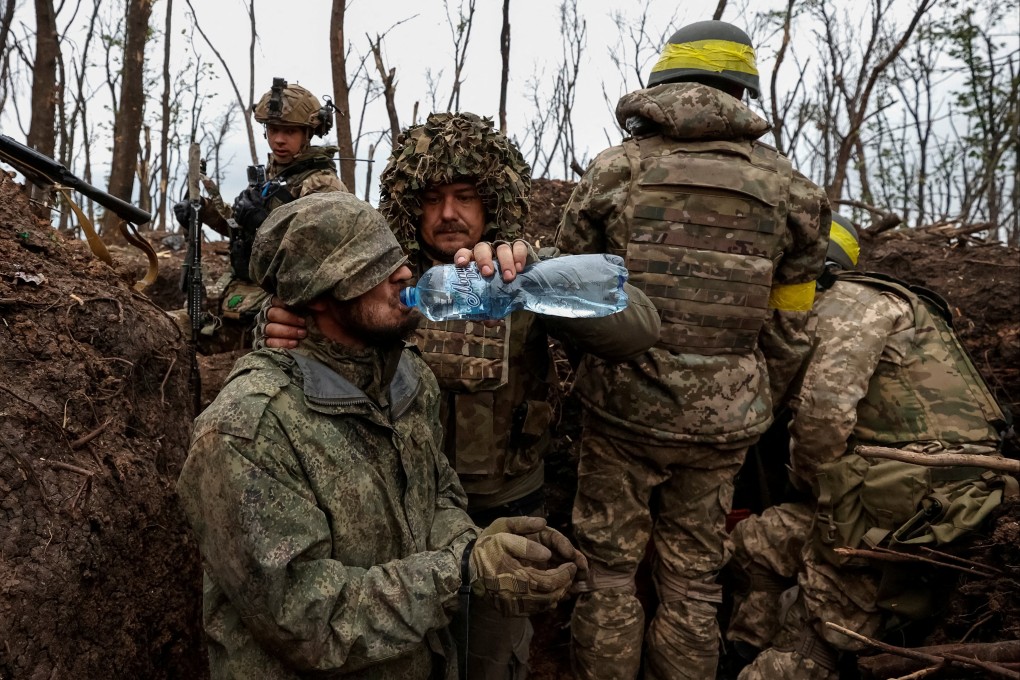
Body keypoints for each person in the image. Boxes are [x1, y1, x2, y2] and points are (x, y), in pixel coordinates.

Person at [261, 112, 661, 680]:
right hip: (400, 516)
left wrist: (536, 279)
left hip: (505, 507)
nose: (448, 214)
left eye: (466, 196)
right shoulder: (377, 283)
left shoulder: (522, 272)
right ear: (407, 203)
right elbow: (298, 337)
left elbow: (640, 327)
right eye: (431, 199)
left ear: (493, 198)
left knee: (488, 661)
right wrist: (275, 324)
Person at [175, 191, 588, 680]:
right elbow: (308, 622)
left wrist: (479, 548)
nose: (403, 274)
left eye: (395, 257)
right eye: (371, 267)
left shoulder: (407, 378)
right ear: (319, 294)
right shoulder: (248, 432)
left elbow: (436, 498)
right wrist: (459, 574)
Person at [553, 20, 832, 680]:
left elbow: (570, 287)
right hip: (723, 424)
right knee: (694, 579)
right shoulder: (793, 190)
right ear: (742, 88)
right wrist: (757, 394)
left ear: (664, 79)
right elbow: (790, 330)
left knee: (611, 575)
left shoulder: (616, 168)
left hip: (622, 409)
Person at [725, 213, 1016, 679]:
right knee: (756, 542)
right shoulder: (870, 302)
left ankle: (792, 655)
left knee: (813, 635)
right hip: (900, 485)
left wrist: (808, 482)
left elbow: (823, 415)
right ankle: (743, 646)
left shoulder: (852, 305)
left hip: (912, 499)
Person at [173, 77, 347, 351]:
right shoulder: (269, 177)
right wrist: (203, 212)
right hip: (242, 289)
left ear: (307, 133)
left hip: (284, 305)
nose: (278, 139)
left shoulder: (322, 184)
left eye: (289, 131)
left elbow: (323, 255)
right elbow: (240, 229)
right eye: (273, 129)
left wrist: (263, 223)